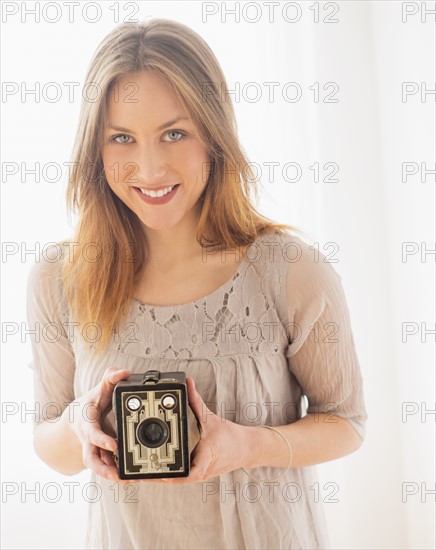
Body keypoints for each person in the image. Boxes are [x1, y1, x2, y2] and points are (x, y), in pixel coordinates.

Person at [26, 18, 367, 550]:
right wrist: (78, 427)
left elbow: (348, 422)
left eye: (174, 133)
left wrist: (248, 446)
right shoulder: (58, 279)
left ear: (214, 133)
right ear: (95, 149)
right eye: (121, 138)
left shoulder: (292, 271)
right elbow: (47, 440)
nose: (150, 166)